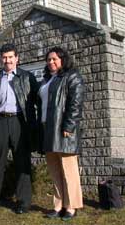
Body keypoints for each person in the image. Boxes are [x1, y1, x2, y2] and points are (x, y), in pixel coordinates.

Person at [0, 43, 38, 214]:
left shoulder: (27, 77)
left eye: (11, 57)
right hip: (0, 123)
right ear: (1, 59)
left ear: (17, 58)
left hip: (20, 122)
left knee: (22, 162)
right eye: (4, 57)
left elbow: (37, 100)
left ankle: (23, 203)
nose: (7, 60)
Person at [38, 47, 84, 221]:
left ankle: (71, 207)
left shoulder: (72, 76)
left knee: (68, 170)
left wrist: (69, 126)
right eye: (49, 60)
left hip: (63, 129)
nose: (51, 62)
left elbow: (76, 103)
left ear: (63, 59)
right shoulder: (47, 79)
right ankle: (58, 205)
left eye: (54, 59)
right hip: (47, 128)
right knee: (55, 170)